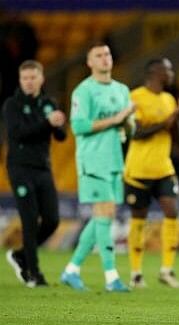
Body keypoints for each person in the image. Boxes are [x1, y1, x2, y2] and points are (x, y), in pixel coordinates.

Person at [60, 43, 135, 292]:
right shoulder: (83, 91)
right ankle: (111, 276)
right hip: (92, 160)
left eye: (107, 54)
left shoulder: (122, 90)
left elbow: (129, 127)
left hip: (114, 160)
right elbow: (79, 126)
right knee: (104, 215)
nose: (105, 59)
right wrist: (115, 119)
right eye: (98, 56)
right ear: (89, 63)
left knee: (103, 216)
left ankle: (71, 270)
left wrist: (126, 124)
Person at [125, 58, 179, 289]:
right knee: (138, 218)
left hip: (163, 168)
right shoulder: (135, 97)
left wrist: (176, 119)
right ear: (156, 72)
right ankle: (135, 273)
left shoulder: (169, 98)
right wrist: (165, 122)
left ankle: (166, 270)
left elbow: (175, 135)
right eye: (169, 69)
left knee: (172, 211)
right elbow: (136, 133)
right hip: (138, 170)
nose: (172, 73)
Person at [3, 60, 66, 287]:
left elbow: (60, 137)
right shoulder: (12, 105)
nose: (28, 82)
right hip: (20, 168)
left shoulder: (48, 103)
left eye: (33, 77)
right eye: (25, 78)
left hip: (43, 168)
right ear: (20, 80)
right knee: (29, 221)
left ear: (41, 78)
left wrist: (58, 124)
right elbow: (18, 134)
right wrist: (46, 123)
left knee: (52, 220)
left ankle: (20, 255)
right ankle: (33, 273)